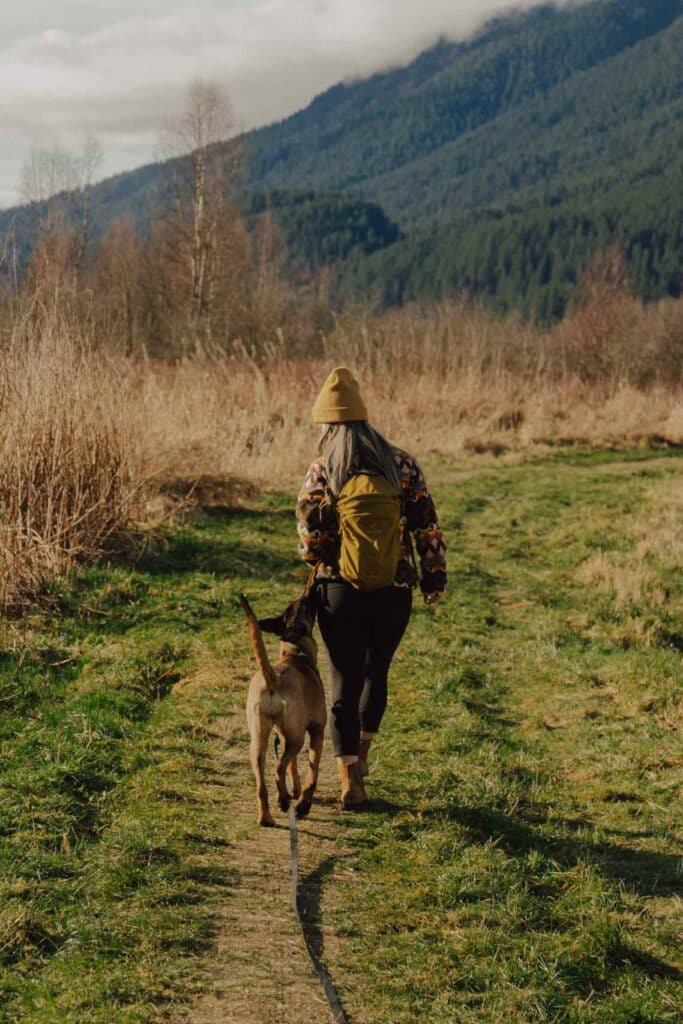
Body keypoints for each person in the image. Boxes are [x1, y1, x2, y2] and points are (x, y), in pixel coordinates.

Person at [296, 367, 447, 809]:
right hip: (394, 588)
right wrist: (433, 578)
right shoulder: (401, 464)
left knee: (344, 676)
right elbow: (427, 527)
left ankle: (348, 780)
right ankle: (361, 759)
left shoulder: (324, 469)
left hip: (338, 590)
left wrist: (325, 554)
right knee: (375, 673)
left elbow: (308, 539)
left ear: (328, 424)